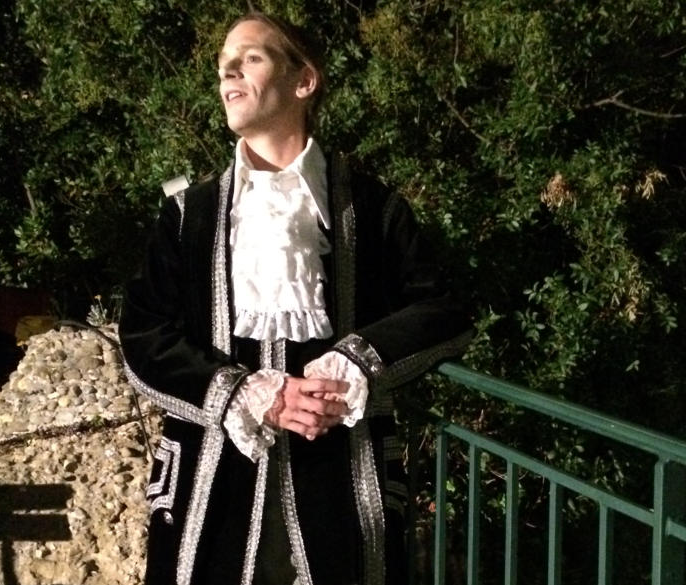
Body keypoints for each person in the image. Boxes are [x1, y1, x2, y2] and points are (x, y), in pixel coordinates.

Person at [119, 11, 471, 585]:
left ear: (304, 81)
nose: (228, 71)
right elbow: (142, 334)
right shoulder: (188, 215)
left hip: (341, 485)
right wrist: (248, 395)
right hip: (213, 488)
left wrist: (354, 362)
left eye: (251, 58)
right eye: (224, 64)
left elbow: (443, 309)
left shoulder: (371, 207)